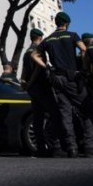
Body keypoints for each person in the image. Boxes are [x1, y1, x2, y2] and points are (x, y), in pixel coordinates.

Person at [32, 12, 93, 158]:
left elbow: (34, 55)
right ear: (67, 23)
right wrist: (85, 69)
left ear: (56, 23)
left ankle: (71, 148)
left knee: (65, 113)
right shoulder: (72, 35)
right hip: (72, 77)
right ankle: (90, 146)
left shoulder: (48, 39)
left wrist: (46, 66)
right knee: (87, 110)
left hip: (57, 78)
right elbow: (84, 50)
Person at [21, 28, 65, 157]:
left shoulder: (26, 52)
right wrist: (30, 82)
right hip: (41, 86)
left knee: (38, 118)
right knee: (55, 115)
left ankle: (41, 148)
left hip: (32, 90)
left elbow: (24, 70)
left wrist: (24, 82)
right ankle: (57, 147)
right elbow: (39, 69)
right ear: (40, 38)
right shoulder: (38, 51)